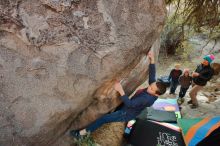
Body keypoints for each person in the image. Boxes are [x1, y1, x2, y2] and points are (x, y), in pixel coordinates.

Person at [70, 51, 167, 138]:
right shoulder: (153, 89)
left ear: (156, 94)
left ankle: (81, 134)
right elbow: (152, 76)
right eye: (151, 85)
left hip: (126, 113)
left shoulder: (146, 99)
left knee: (103, 119)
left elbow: (130, 104)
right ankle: (110, 116)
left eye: (151, 88)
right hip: (127, 109)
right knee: (112, 113)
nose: (149, 86)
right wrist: (152, 60)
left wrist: (121, 90)